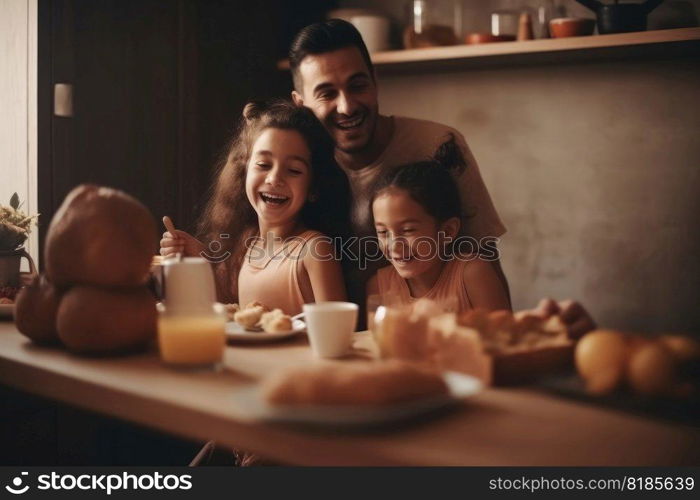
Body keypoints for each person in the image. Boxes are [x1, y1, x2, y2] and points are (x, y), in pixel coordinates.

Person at [287, 18, 596, 337]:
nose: (347, 105)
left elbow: (483, 255)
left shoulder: (439, 146)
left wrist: (504, 341)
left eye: (357, 85)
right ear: (301, 104)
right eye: (326, 93)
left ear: (375, 81)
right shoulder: (298, 165)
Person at [160, 99, 351, 315]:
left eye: (294, 170)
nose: (274, 178)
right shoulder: (246, 244)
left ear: (313, 188)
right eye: (263, 165)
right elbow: (233, 312)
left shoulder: (314, 250)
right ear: (244, 172)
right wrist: (200, 258)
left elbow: (338, 332)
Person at [366, 149, 510, 312]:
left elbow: (502, 336)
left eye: (408, 230)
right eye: (383, 232)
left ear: (447, 231)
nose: (394, 246)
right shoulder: (379, 286)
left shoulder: (472, 275)